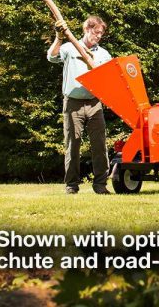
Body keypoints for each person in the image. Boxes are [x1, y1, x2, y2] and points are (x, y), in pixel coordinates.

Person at [48, 15, 112, 194]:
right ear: (87, 29)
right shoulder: (69, 47)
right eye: (96, 32)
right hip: (73, 103)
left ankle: (100, 185)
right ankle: (71, 185)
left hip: (94, 103)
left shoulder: (104, 54)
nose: (98, 36)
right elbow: (51, 57)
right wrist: (59, 37)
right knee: (72, 144)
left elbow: (109, 78)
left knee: (99, 144)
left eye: (101, 33)